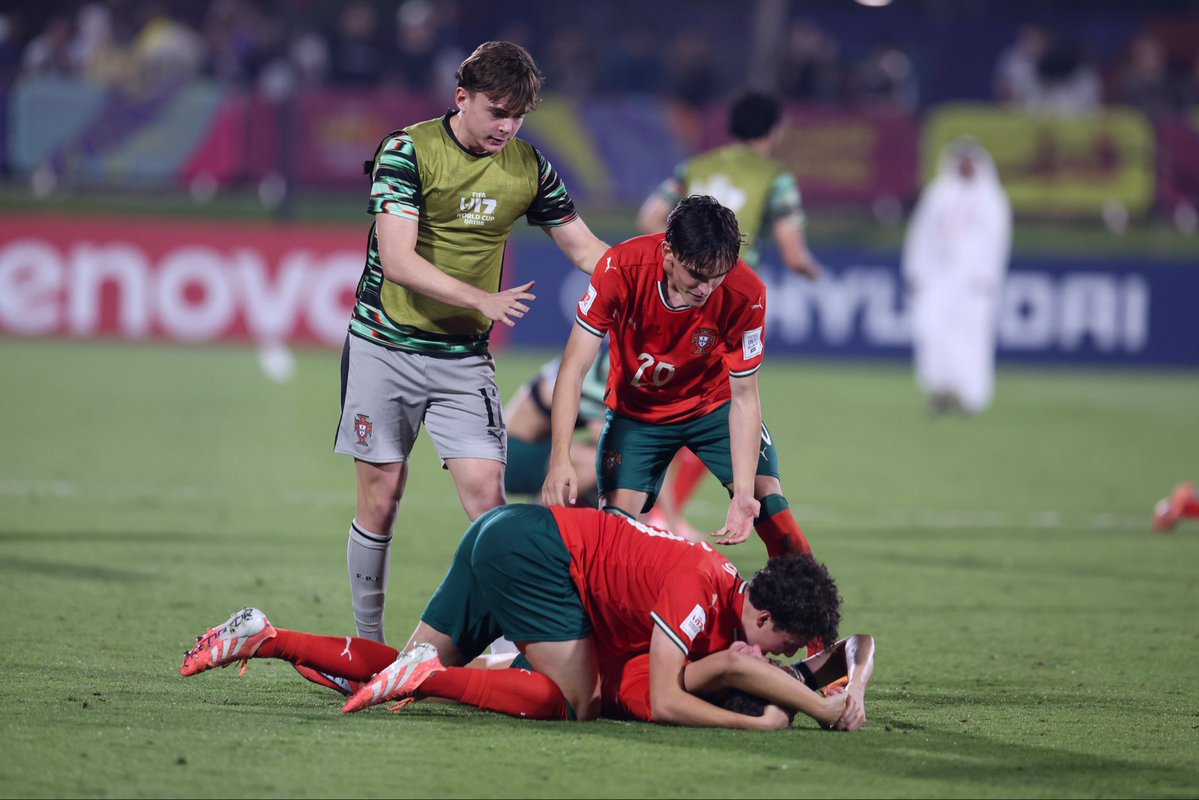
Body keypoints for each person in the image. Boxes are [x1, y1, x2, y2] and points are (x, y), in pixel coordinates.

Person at [335, 41, 607, 644]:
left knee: (489, 497)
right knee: (381, 499)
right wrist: (481, 300)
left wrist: (651, 279)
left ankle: (518, 639)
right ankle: (368, 643)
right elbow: (399, 260)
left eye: (518, 116)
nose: (506, 128)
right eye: (496, 111)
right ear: (462, 98)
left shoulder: (528, 167)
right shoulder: (408, 151)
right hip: (384, 346)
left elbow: (586, 249)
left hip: (461, 360)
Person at [181, 504, 874, 730]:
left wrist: (789, 680)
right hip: (539, 556)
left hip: (508, 530)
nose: (774, 652)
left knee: (398, 662)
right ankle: (427, 679)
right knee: (575, 702)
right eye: (777, 642)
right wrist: (751, 724)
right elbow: (662, 698)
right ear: (759, 608)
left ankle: (264, 636)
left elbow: (844, 646)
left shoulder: (723, 592)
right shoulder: (696, 587)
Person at [543, 195, 812, 561]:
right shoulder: (620, 268)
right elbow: (573, 370)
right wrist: (560, 458)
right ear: (669, 252)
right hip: (638, 416)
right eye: (697, 276)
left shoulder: (747, 293)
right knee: (614, 543)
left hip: (712, 409)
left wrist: (744, 493)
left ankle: (810, 616)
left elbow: (746, 396)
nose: (706, 288)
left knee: (773, 512)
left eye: (717, 277)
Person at [636, 91, 821, 537]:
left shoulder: (695, 166)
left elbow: (649, 218)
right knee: (725, 407)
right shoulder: (776, 179)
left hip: (679, 295)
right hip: (731, 302)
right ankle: (664, 512)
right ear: (775, 131)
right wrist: (812, 271)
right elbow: (794, 253)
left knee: (679, 399)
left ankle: (655, 508)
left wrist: (684, 264)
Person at [901, 138, 1011, 417]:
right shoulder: (938, 193)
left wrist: (989, 275)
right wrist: (915, 269)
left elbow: (998, 241)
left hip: (973, 281)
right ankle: (941, 389)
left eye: (969, 160)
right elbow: (920, 234)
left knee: (970, 336)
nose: (964, 165)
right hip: (937, 277)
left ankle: (971, 396)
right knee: (930, 329)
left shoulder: (991, 199)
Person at [504, 352, 609, 507]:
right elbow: (608, 445)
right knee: (598, 463)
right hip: (511, 455)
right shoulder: (594, 370)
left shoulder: (590, 359)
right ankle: (536, 519)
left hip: (531, 447)